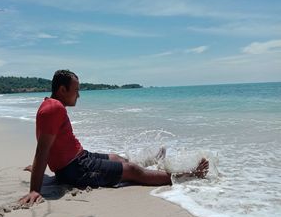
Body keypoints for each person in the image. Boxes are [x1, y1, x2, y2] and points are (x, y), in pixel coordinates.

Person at [20, 70, 209, 204]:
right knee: (132, 170)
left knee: (117, 158)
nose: (78, 95)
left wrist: (37, 170)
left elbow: (48, 145)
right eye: (76, 90)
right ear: (62, 90)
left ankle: (152, 163)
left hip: (80, 158)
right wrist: (35, 189)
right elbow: (42, 149)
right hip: (75, 169)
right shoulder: (54, 108)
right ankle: (188, 175)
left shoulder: (51, 105)